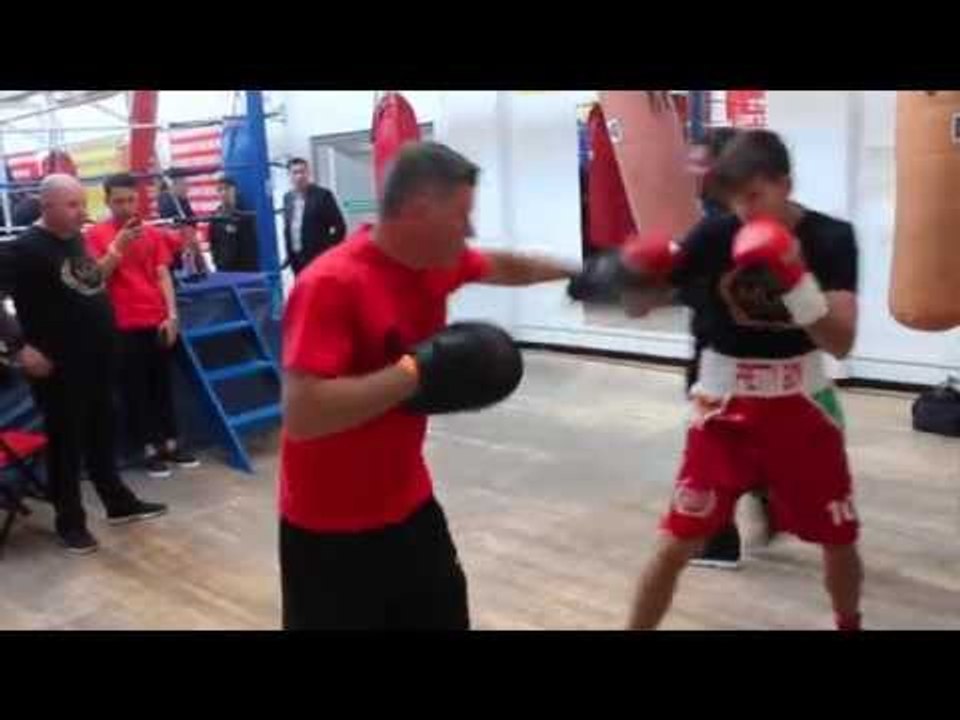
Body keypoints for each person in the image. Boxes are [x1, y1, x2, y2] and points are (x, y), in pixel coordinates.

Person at [569, 130, 863, 630]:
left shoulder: (830, 238)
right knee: (675, 541)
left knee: (838, 536)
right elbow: (640, 308)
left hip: (803, 405)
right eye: (734, 200)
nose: (745, 211)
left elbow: (840, 341)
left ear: (785, 184)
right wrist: (632, 273)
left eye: (756, 196)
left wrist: (794, 277)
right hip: (723, 408)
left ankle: (848, 622)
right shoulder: (714, 236)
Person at [280, 141, 577, 630]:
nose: (471, 229)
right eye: (462, 215)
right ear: (420, 209)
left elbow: (504, 265)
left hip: (408, 502)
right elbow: (303, 413)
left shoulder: (437, 264)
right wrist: (415, 372)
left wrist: (579, 275)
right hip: (327, 526)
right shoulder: (331, 284)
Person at [0, 174, 167, 554]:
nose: (83, 212)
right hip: (58, 365)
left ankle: (118, 503)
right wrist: (19, 346)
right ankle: (69, 523)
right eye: (73, 205)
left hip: (97, 357)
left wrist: (117, 248)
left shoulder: (74, 238)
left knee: (102, 432)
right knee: (66, 444)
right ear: (47, 207)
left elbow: (88, 280)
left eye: (82, 203)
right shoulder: (24, 248)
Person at [85, 173, 199, 479]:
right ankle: (148, 448)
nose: (125, 206)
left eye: (130, 199)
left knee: (162, 384)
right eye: (119, 201)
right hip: (122, 324)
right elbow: (97, 277)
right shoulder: (96, 235)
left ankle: (171, 444)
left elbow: (163, 274)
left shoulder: (150, 233)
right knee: (134, 389)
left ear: (138, 199)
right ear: (107, 201)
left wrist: (172, 315)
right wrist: (118, 245)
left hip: (157, 318)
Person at [282, 157, 346, 275]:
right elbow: (289, 228)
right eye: (295, 172)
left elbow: (340, 226)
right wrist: (288, 255)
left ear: (308, 173)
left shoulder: (322, 196)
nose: (300, 176)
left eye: (303, 171)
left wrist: (328, 250)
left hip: (318, 258)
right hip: (296, 259)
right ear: (289, 175)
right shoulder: (287, 198)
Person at [207, 177, 259, 272]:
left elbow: (251, 243)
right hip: (224, 268)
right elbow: (213, 242)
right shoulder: (215, 216)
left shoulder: (244, 214)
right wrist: (217, 262)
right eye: (220, 190)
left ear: (234, 190)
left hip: (245, 268)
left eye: (226, 189)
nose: (223, 193)